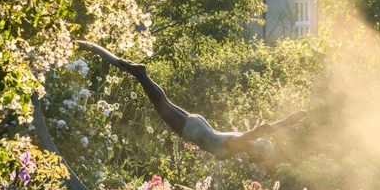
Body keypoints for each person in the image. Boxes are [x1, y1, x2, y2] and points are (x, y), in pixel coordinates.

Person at [76, 41, 305, 167]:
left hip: (197, 127)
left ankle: (139, 74)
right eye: (260, 160)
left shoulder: (240, 149)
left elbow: (259, 131)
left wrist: (289, 122)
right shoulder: (240, 143)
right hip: (191, 129)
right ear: (258, 153)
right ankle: (141, 74)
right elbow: (262, 129)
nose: (257, 163)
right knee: (158, 102)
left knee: (162, 101)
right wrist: (288, 121)